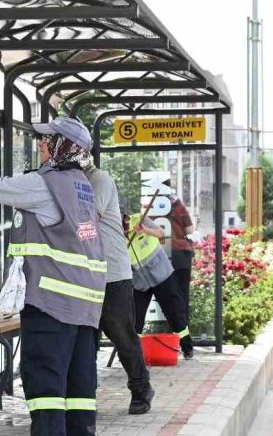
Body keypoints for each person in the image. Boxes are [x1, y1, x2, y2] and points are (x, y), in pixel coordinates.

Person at [0, 119, 106, 436]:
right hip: (85, 298)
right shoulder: (82, 186)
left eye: (47, 139)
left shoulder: (46, 184)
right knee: (78, 372)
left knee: (43, 371)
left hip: (52, 296)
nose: (40, 144)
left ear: (63, 146)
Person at [78, 129, 156, 414]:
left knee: (122, 335)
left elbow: (87, 219)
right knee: (86, 340)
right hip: (84, 275)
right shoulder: (70, 181)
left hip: (112, 274)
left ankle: (141, 387)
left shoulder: (99, 180)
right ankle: (85, 397)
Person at [125, 210, 193, 358]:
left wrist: (145, 230)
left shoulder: (139, 218)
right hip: (139, 281)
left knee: (174, 311)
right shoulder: (115, 235)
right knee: (135, 317)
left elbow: (161, 233)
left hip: (162, 274)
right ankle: (134, 355)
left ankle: (187, 347)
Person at [155, 174, 201, 326]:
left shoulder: (151, 205)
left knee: (164, 295)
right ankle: (182, 334)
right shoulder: (177, 204)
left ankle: (164, 330)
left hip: (162, 256)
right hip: (181, 254)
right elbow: (189, 229)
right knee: (182, 296)